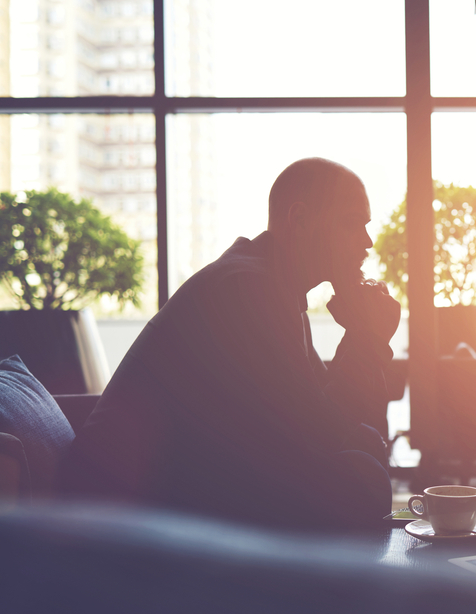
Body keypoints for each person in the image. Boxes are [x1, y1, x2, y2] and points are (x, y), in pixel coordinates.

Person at [58, 158, 400, 531]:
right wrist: (368, 337)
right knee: (362, 477)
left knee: (364, 456)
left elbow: (333, 421)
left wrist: (363, 334)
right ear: (299, 220)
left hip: (188, 480)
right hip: (129, 506)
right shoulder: (247, 288)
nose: (367, 242)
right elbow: (318, 438)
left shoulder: (274, 286)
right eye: (353, 223)